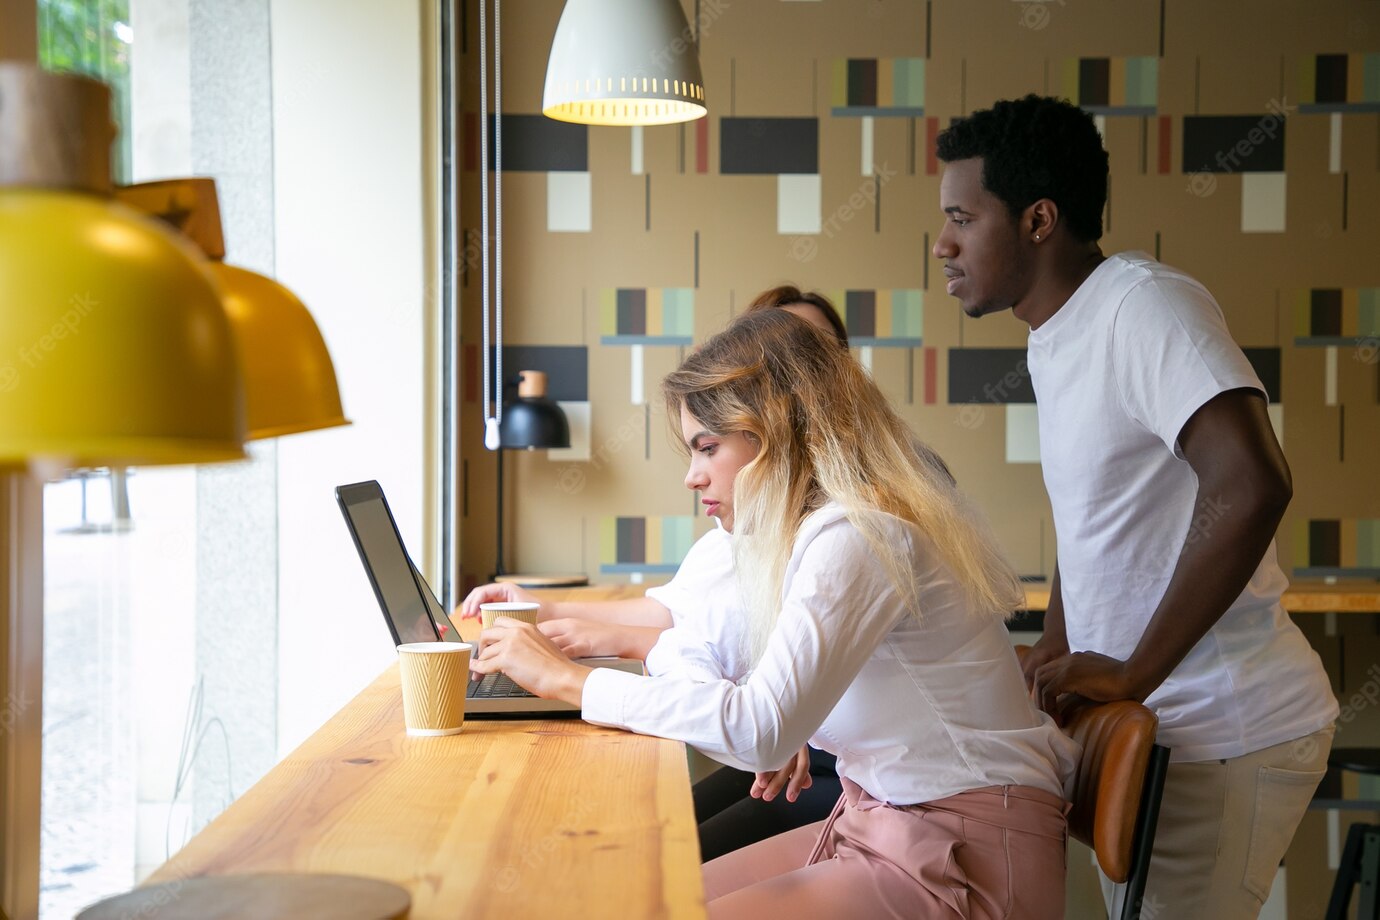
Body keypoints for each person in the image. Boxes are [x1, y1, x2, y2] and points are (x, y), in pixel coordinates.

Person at [469, 309, 1080, 918]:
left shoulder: (859, 535)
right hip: (884, 823)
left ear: (778, 432)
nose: (691, 476)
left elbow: (758, 729)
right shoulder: (809, 536)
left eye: (707, 447)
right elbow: (721, 668)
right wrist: (779, 717)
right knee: (654, 899)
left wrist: (571, 682)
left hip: (963, 857)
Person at [933, 94, 1338, 918]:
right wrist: (1054, 649)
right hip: (1155, 730)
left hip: (1228, 726)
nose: (942, 245)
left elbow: (1254, 483)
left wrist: (1133, 671)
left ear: (1039, 219)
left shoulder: (1145, 306)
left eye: (962, 219)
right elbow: (1101, 518)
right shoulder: (1057, 333)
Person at [465, 287, 858, 861]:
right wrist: (551, 614)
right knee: (653, 843)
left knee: (666, 863)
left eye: (805, 359)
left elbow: (751, 700)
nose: (693, 477)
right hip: (806, 749)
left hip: (837, 768)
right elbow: (690, 622)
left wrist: (580, 673)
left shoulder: (845, 527)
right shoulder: (761, 522)